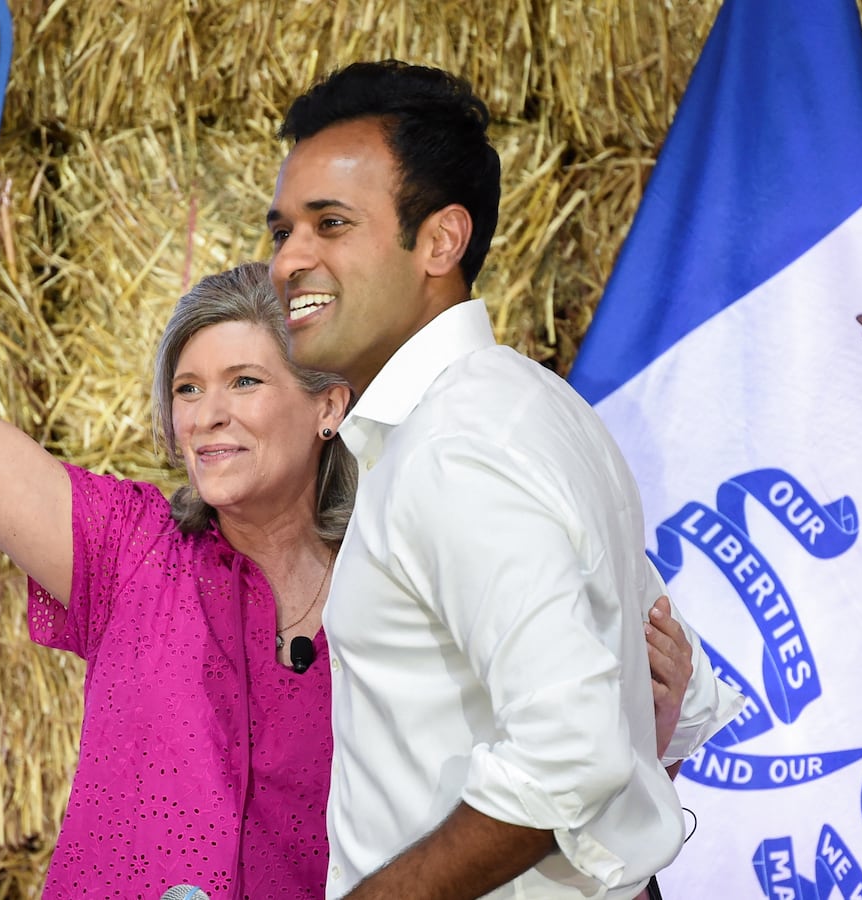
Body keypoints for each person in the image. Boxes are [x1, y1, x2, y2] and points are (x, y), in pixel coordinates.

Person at [0, 24, 710, 899]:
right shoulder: (131, 555)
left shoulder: (427, 510)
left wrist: (641, 737)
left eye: (243, 381)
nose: (208, 416)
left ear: (327, 404)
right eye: (186, 389)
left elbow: (564, 743)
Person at [267, 61, 742, 899]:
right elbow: (682, 684)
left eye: (330, 224)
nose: (288, 261)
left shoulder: (457, 447)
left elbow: (575, 749)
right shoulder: (531, 408)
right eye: (282, 232)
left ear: (441, 242)